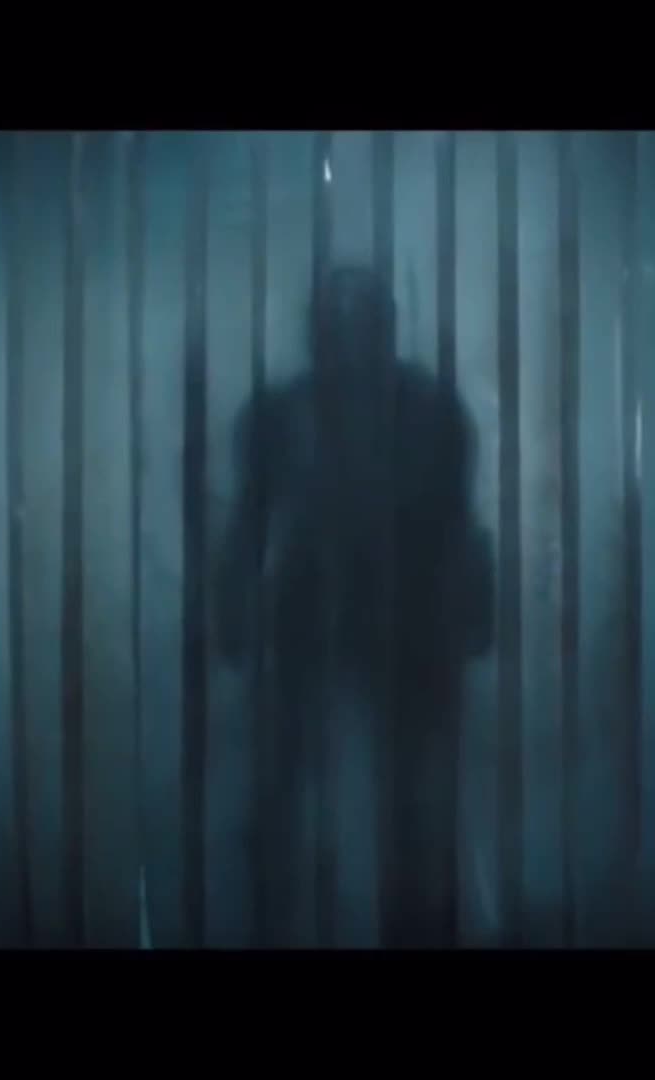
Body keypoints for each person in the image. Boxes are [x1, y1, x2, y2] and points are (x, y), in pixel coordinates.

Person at [215, 265, 493, 947]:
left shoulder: (430, 409)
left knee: (412, 798)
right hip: (313, 610)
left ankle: (413, 918)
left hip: (407, 614)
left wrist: (474, 610)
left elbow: (459, 524)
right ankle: (278, 910)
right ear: (315, 332)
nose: (347, 340)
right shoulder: (279, 415)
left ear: (386, 329)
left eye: (361, 323)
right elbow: (248, 524)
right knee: (284, 786)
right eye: (335, 324)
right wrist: (232, 609)